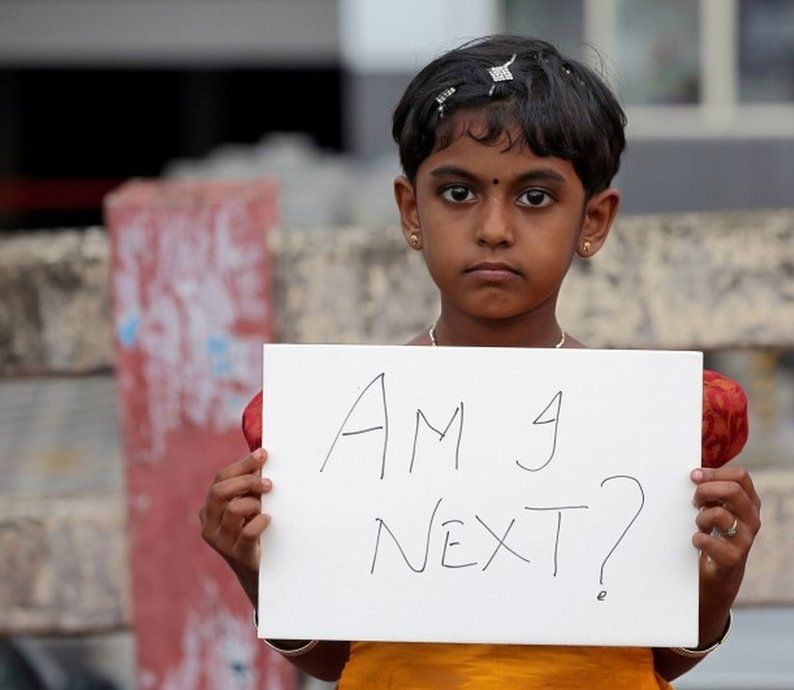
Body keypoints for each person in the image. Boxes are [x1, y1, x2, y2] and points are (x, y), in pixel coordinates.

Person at [200, 35, 761, 689]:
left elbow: (656, 659)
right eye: (459, 194)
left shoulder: (645, 427)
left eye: (535, 198)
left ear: (594, 220)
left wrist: (718, 585)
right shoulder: (341, 429)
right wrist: (255, 568)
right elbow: (342, 661)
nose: (494, 227)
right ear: (412, 212)